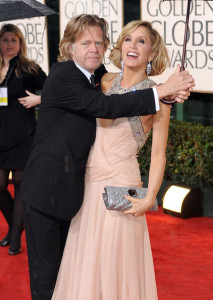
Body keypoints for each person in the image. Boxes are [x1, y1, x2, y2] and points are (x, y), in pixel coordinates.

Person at [20, 14, 194, 300]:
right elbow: (105, 105)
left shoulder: (159, 100)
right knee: (77, 271)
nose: (133, 45)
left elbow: (160, 154)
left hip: (120, 187)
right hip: (78, 191)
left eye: (142, 41)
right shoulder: (100, 80)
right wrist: (164, 89)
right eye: (128, 38)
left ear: (153, 51)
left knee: (114, 267)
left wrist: (151, 195)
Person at [0, 24, 47, 256]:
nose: (9, 44)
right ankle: (16, 227)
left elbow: (53, 90)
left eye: (14, 40)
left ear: (20, 44)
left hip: (23, 136)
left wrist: (38, 100)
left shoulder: (29, 68)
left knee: (19, 187)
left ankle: (15, 236)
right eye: (5, 39)